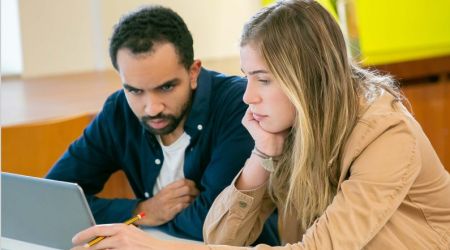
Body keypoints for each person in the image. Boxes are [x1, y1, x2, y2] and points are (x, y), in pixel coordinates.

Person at [71, 0, 450, 249]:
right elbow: (221, 238)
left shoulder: (387, 134)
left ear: (309, 78)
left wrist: (156, 246)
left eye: (263, 80)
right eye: (246, 77)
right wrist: (261, 155)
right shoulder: (287, 127)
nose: (248, 95)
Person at [47, 5, 279, 244]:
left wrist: (147, 218)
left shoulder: (238, 104)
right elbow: (53, 198)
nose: (152, 107)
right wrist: (142, 211)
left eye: (166, 87)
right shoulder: (119, 109)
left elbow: (216, 224)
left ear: (193, 72)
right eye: (135, 90)